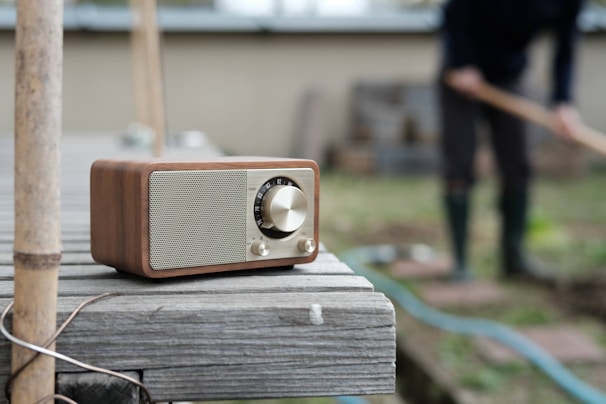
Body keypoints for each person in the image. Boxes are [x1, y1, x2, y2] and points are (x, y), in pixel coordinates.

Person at [437, 0, 585, 280]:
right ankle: (460, 262)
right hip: (462, 70)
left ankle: (514, 259)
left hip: (511, 72)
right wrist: (463, 63)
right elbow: (453, 12)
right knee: (460, 161)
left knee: (518, 162)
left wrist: (563, 101)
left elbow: (566, 45)